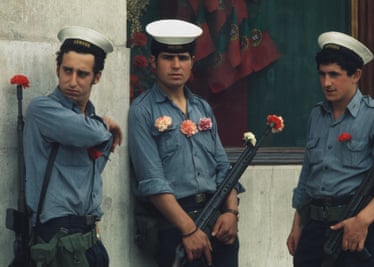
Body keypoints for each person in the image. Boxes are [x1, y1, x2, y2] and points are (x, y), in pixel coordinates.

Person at [286, 31, 374, 267]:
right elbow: (308, 175)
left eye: (334, 75)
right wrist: (298, 224)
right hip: (314, 230)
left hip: (357, 230)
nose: (327, 83)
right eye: (322, 74)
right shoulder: (316, 114)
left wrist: (362, 220)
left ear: (356, 75)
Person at [128, 19, 243, 267]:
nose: (176, 65)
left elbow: (224, 168)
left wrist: (231, 213)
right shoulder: (142, 111)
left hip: (218, 221)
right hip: (174, 228)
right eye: (168, 58)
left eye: (183, 58)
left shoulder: (202, 108)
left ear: (192, 62)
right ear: (153, 62)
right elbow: (152, 182)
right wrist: (189, 230)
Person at [24, 26, 122, 266]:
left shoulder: (90, 120)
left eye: (82, 73)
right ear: (58, 69)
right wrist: (105, 125)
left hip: (89, 235)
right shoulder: (43, 109)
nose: (72, 81)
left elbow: (93, 169)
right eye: (67, 71)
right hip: (57, 233)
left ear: (96, 77)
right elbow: (90, 133)